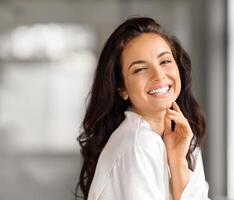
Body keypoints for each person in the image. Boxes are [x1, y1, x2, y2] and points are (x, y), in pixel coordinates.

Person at [76, 17, 210, 200]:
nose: (158, 75)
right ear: (121, 88)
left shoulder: (182, 136)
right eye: (140, 69)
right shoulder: (139, 146)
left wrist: (178, 163)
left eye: (164, 62)